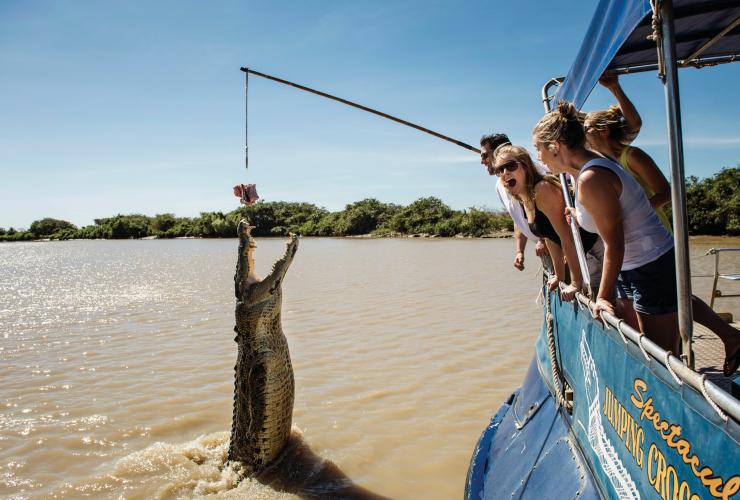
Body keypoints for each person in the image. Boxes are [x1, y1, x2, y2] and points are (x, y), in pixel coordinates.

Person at [533, 101, 740, 375]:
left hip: (650, 264)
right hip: (633, 267)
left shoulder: (591, 178)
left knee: (662, 356)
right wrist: (577, 213)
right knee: (647, 344)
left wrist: (603, 297)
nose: (538, 157)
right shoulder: (588, 171)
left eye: (538, 148)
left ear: (556, 145)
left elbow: (614, 243)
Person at [492, 144, 604, 299]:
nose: (505, 173)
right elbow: (549, 237)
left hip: (594, 251)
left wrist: (575, 283)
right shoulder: (525, 198)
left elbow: (567, 237)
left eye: (510, 166)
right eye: (499, 170)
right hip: (582, 256)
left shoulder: (542, 189)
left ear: (525, 166)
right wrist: (558, 276)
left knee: (601, 305)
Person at [480, 133, 547, 271]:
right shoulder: (500, 185)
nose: (482, 161)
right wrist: (519, 251)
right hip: (546, 252)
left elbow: (554, 211)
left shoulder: (535, 174)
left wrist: (544, 239)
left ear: (500, 152)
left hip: (565, 247)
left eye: (485, 155)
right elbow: (517, 218)